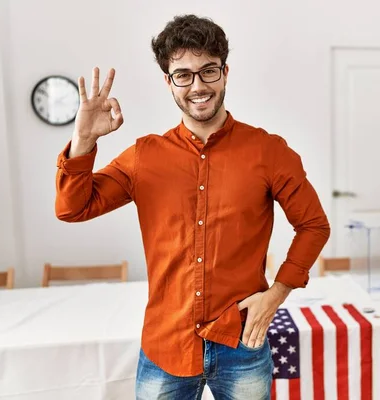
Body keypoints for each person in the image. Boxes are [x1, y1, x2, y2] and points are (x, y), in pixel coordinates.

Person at [54, 14, 330, 400]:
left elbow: (314, 225)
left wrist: (277, 294)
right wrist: (83, 140)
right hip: (165, 346)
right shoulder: (144, 156)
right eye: (183, 75)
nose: (197, 86)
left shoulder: (269, 152)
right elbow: (73, 208)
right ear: (168, 82)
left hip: (242, 342)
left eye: (208, 71)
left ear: (225, 72)